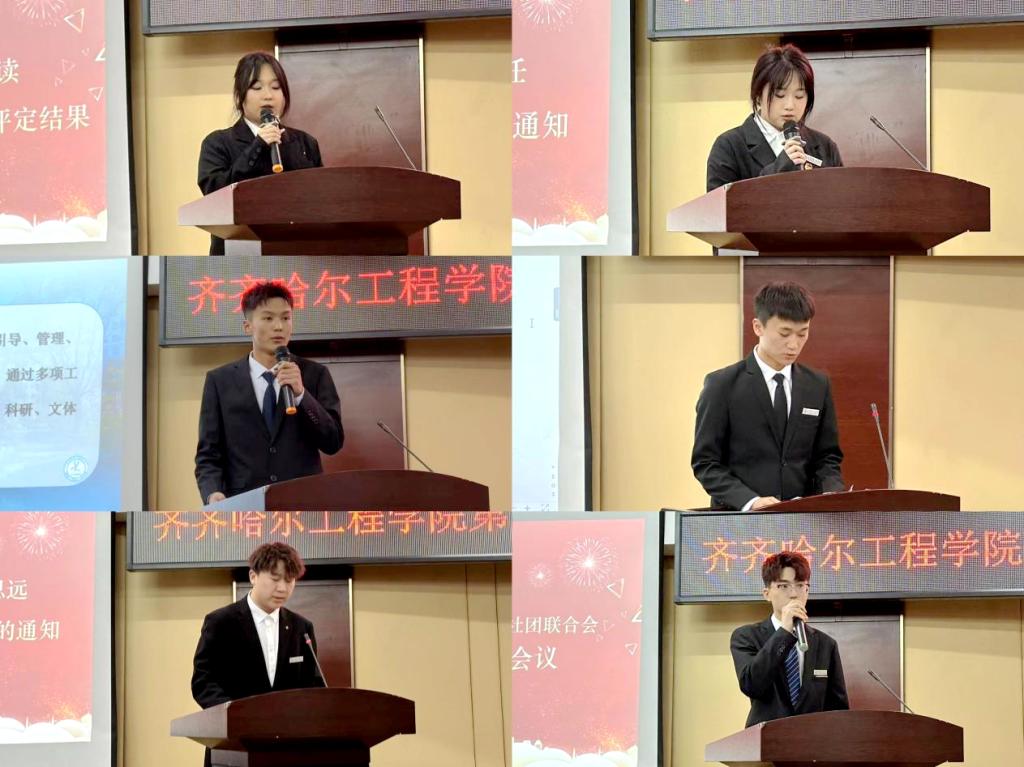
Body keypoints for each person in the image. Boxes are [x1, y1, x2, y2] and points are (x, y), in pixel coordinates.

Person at [691, 281, 843, 511]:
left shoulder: (817, 385)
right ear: (758, 327)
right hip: (740, 520)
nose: (794, 344)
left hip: (802, 518)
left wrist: (831, 493)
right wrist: (751, 501)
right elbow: (706, 463)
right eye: (784, 333)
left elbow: (827, 457)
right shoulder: (722, 385)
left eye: (802, 334)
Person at [194, 280, 343, 505]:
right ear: (248, 326)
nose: (279, 326)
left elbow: (333, 442)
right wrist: (212, 492)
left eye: (286, 318)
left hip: (303, 503)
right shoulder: (220, 381)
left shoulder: (315, 374)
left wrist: (301, 395)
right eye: (268, 318)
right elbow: (208, 454)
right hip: (244, 504)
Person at [191, 542, 323, 766]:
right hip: (233, 746)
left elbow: (313, 685)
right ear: (253, 576)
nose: (282, 588)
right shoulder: (221, 622)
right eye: (275, 579)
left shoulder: (302, 627)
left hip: (287, 749)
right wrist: (235, 715)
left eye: (289, 580)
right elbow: (203, 682)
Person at [197, 51, 324, 254]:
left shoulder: (305, 143)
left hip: (296, 254)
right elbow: (214, 193)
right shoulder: (218, 143)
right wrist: (258, 145)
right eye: (257, 87)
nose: (268, 95)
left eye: (276, 87)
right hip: (238, 255)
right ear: (239, 96)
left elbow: (320, 199)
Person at [730, 551, 849, 727]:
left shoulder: (826, 644)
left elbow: (838, 707)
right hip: (767, 739)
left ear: (807, 591)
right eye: (784, 586)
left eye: (800, 585)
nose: (794, 594)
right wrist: (784, 632)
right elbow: (752, 685)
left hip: (813, 740)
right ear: (767, 593)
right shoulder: (746, 636)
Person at [707, 43, 843, 191]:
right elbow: (721, 203)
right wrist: (779, 168)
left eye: (799, 96)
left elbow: (841, 199)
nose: (790, 105)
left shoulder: (824, 146)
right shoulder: (729, 147)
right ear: (758, 95)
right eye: (780, 95)